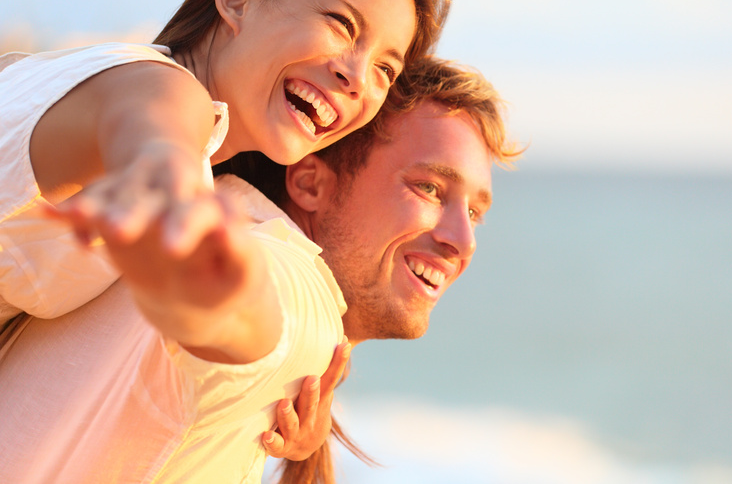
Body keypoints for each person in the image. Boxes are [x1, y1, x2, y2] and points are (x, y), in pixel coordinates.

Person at [0, 57, 522, 483]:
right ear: (311, 184)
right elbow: (252, 312)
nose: (463, 240)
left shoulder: (230, 219)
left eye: (475, 212)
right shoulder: (292, 288)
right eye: (429, 188)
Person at [0, 0, 452, 329]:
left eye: (385, 70)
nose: (356, 78)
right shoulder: (160, 89)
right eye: (340, 22)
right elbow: (157, 143)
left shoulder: (193, 144)